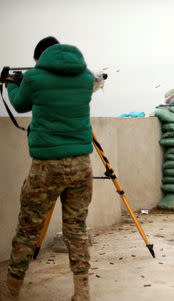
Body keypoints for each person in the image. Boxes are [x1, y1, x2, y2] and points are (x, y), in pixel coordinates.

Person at [0, 36, 94, 300]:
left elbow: (20, 104)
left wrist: (13, 86)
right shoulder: (86, 78)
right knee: (76, 229)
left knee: (28, 228)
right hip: (81, 164)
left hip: (46, 167)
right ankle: (82, 292)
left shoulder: (34, 78)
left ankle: (11, 291)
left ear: (39, 59)